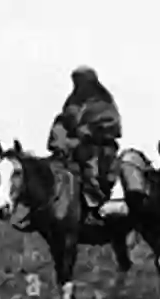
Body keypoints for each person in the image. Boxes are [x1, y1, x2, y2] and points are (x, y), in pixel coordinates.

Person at [47, 66, 125, 219]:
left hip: (99, 147)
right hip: (74, 147)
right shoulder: (72, 104)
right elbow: (63, 123)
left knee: (90, 168)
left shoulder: (104, 103)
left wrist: (90, 131)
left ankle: (95, 205)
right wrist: (59, 139)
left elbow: (112, 124)